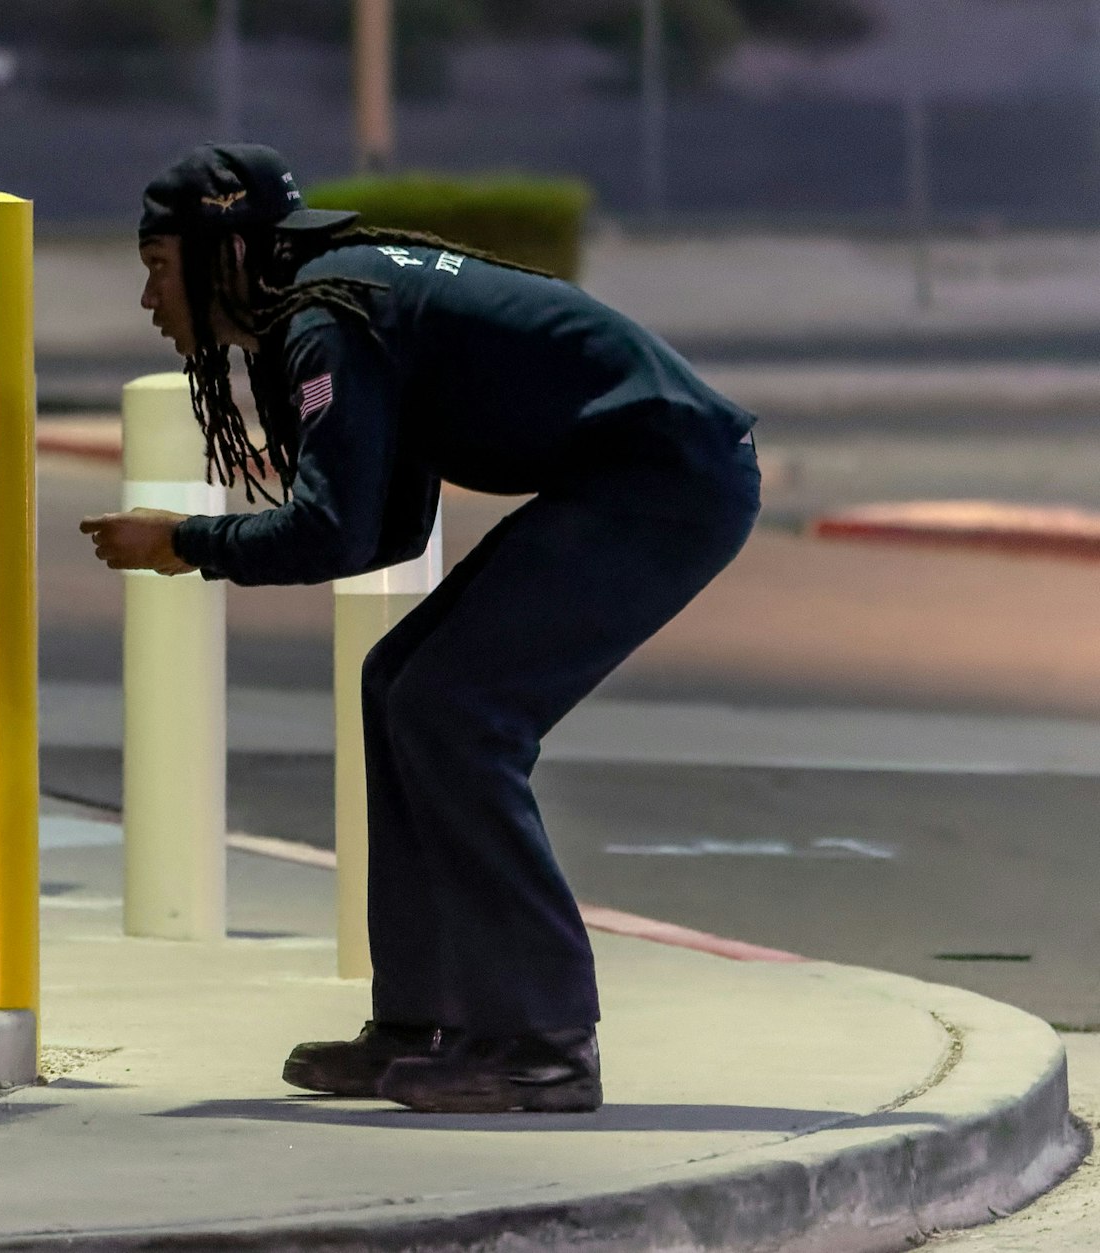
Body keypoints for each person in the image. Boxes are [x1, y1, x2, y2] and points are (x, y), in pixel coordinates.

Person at [80, 143, 760, 1114]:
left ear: (221, 253)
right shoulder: (334, 300)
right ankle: (423, 1020)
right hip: (631, 477)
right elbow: (384, 528)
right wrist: (216, 539)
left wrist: (185, 540)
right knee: (398, 682)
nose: (148, 298)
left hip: (663, 483)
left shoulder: (324, 318)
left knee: (454, 711)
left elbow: (332, 529)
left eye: (156, 265)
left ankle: (540, 1042)